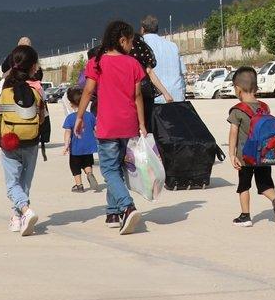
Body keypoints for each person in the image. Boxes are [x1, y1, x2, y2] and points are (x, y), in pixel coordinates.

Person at [75, 20, 148, 235]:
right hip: (129, 123)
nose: (132, 46)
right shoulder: (133, 63)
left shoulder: (97, 62)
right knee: (118, 167)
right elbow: (137, 96)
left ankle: (127, 206)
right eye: (131, 42)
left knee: (108, 169)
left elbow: (87, 92)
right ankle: (112, 212)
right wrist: (142, 124)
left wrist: (79, 116)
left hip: (108, 124)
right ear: (122, 40)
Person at [0, 44, 45, 236]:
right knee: (25, 183)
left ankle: (24, 213)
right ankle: (17, 218)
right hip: (31, 141)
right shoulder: (37, 87)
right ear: (33, 67)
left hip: (9, 141)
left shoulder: (4, 85)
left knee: (12, 184)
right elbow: (42, 117)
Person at [227, 66, 275, 228]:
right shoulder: (264, 107)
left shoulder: (237, 111)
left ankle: (245, 216)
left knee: (244, 186)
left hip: (245, 158)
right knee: (265, 184)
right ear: (256, 88)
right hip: (263, 155)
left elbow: (233, 133)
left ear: (238, 89)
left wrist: (232, 154)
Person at [139, 16, 186, 102]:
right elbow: (182, 72)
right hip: (176, 96)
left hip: (154, 98)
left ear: (142, 29)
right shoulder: (173, 46)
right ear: (157, 29)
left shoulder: (141, 45)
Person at [62, 87, 99, 192]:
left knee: (75, 167)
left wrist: (66, 146)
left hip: (75, 148)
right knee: (87, 163)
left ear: (71, 104)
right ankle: (90, 174)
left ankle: (79, 186)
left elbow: (67, 133)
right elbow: (96, 129)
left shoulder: (70, 118)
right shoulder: (90, 116)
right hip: (88, 147)